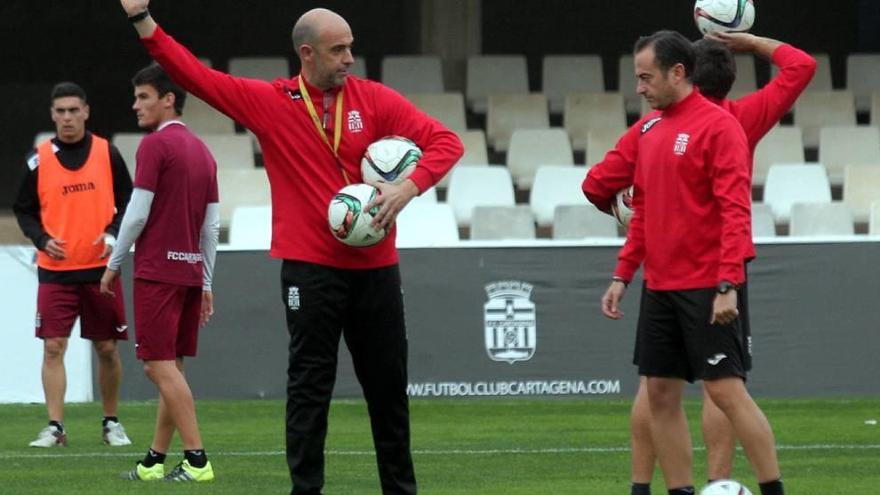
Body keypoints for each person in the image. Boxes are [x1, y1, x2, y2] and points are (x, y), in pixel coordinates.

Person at [118, 2, 463, 493]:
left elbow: (447, 141)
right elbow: (192, 75)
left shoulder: (376, 100)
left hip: (376, 269)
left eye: (350, 48)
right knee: (309, 389)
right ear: (307, 53)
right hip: (310, 269)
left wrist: (409, 187)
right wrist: (142, 21)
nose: (349, 58)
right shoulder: (271, 102)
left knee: (388, 391)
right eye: (337, 49)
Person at [584, 32, 814, 495]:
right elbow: (644, 212)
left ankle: (772, 489)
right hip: (660, 285)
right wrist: (622, 275)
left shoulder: (721, 125)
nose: (641, 88)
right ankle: (680, 491)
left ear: (678, 73)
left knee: (726, 390)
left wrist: (728, 281)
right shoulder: (647, 131)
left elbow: (735, 209)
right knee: (659, 394)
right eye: (638, 79)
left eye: (647, 78)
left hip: (708, 284)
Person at [100, 63, 220, 483]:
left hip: (157, 270)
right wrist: (205, 281)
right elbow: (210, 226)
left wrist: (114, 262)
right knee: (173, 368)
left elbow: (135, 214)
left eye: (143, 97)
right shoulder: (204, 152)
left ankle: (197, 460)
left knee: (156, 367)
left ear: (169, 99)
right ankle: (154, 460)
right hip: (188, 273)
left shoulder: (154, 147)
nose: (135, 105)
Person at [13, 82, 134, 448]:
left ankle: (111, 422)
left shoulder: (106, 153)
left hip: (101, 270)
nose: (67, 117)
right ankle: (55, 426)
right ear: (52, 115)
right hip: (55, 270)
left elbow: (130, 199)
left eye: (73, 110)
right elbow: (23, 209)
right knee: (53, 347)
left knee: (107, 349)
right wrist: (41, 239)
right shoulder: (38, 159)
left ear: (86, 111)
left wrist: (114, 233)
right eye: (60, 111)